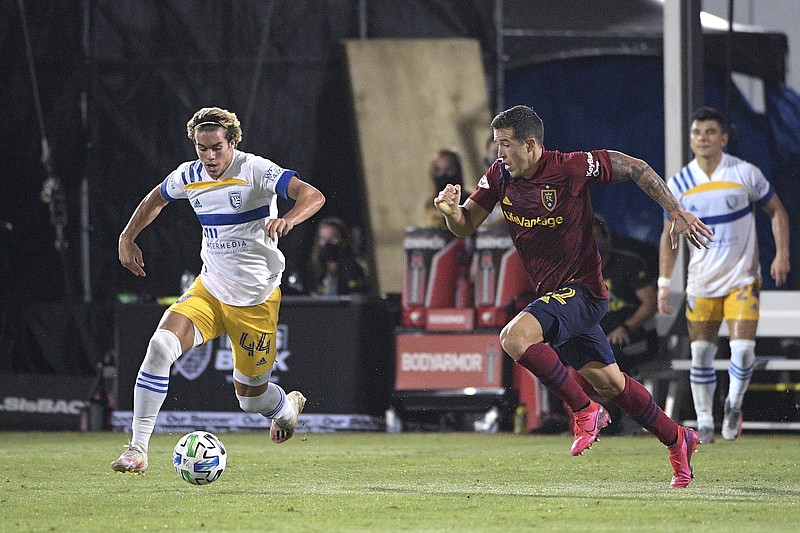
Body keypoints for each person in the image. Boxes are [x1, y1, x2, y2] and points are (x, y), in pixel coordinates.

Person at [434, 104, 713, 488]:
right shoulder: (499, 176)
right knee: (612, 384)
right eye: (496, 145)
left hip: (583, 291)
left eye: (505, 145)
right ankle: (679, 439)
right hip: (556, 297)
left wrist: (676, 209)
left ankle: (584, 411)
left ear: (530, 145)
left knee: (513, 337)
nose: (498, 154)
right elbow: (465, 226)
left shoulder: (570, 167)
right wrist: (450, 211)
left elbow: (635, 167)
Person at [111, 107, 325, 474]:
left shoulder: (255, 170)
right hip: (209, 289)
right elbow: (156, 199)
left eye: (216, 148)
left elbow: (313, 195)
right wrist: (127, 236)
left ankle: (287, 411)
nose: (209, 157)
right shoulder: (189, 174)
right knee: (161, 346)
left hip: (255, 300)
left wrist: (288, 219)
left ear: (233, 142)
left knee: (250, 400)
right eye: (201, 148)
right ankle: (137, 449)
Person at [658, 106, 790, 444]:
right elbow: (668, 236)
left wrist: (782, 253)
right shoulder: (680, 183)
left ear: (724, 138)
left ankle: (733, 404)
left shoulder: (744, 173)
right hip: (701, 282)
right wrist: (664, 284)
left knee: (743, 351)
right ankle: (704, 422)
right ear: (690, 140)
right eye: (697, 133)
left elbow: (777, 210)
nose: (703, 138)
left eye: (710, 132)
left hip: (742, 278)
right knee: (701, 353)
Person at [306, 217, 369, 296]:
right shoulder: (314, 269)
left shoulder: (354, 268)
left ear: (344, 240)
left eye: (332, 238)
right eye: (323, 238)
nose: (327, 243)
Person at [423, 148, 467, 229]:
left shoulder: (469, 200)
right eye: (438, 170)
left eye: (448, 170)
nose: (443, 175)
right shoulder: (431, 203)